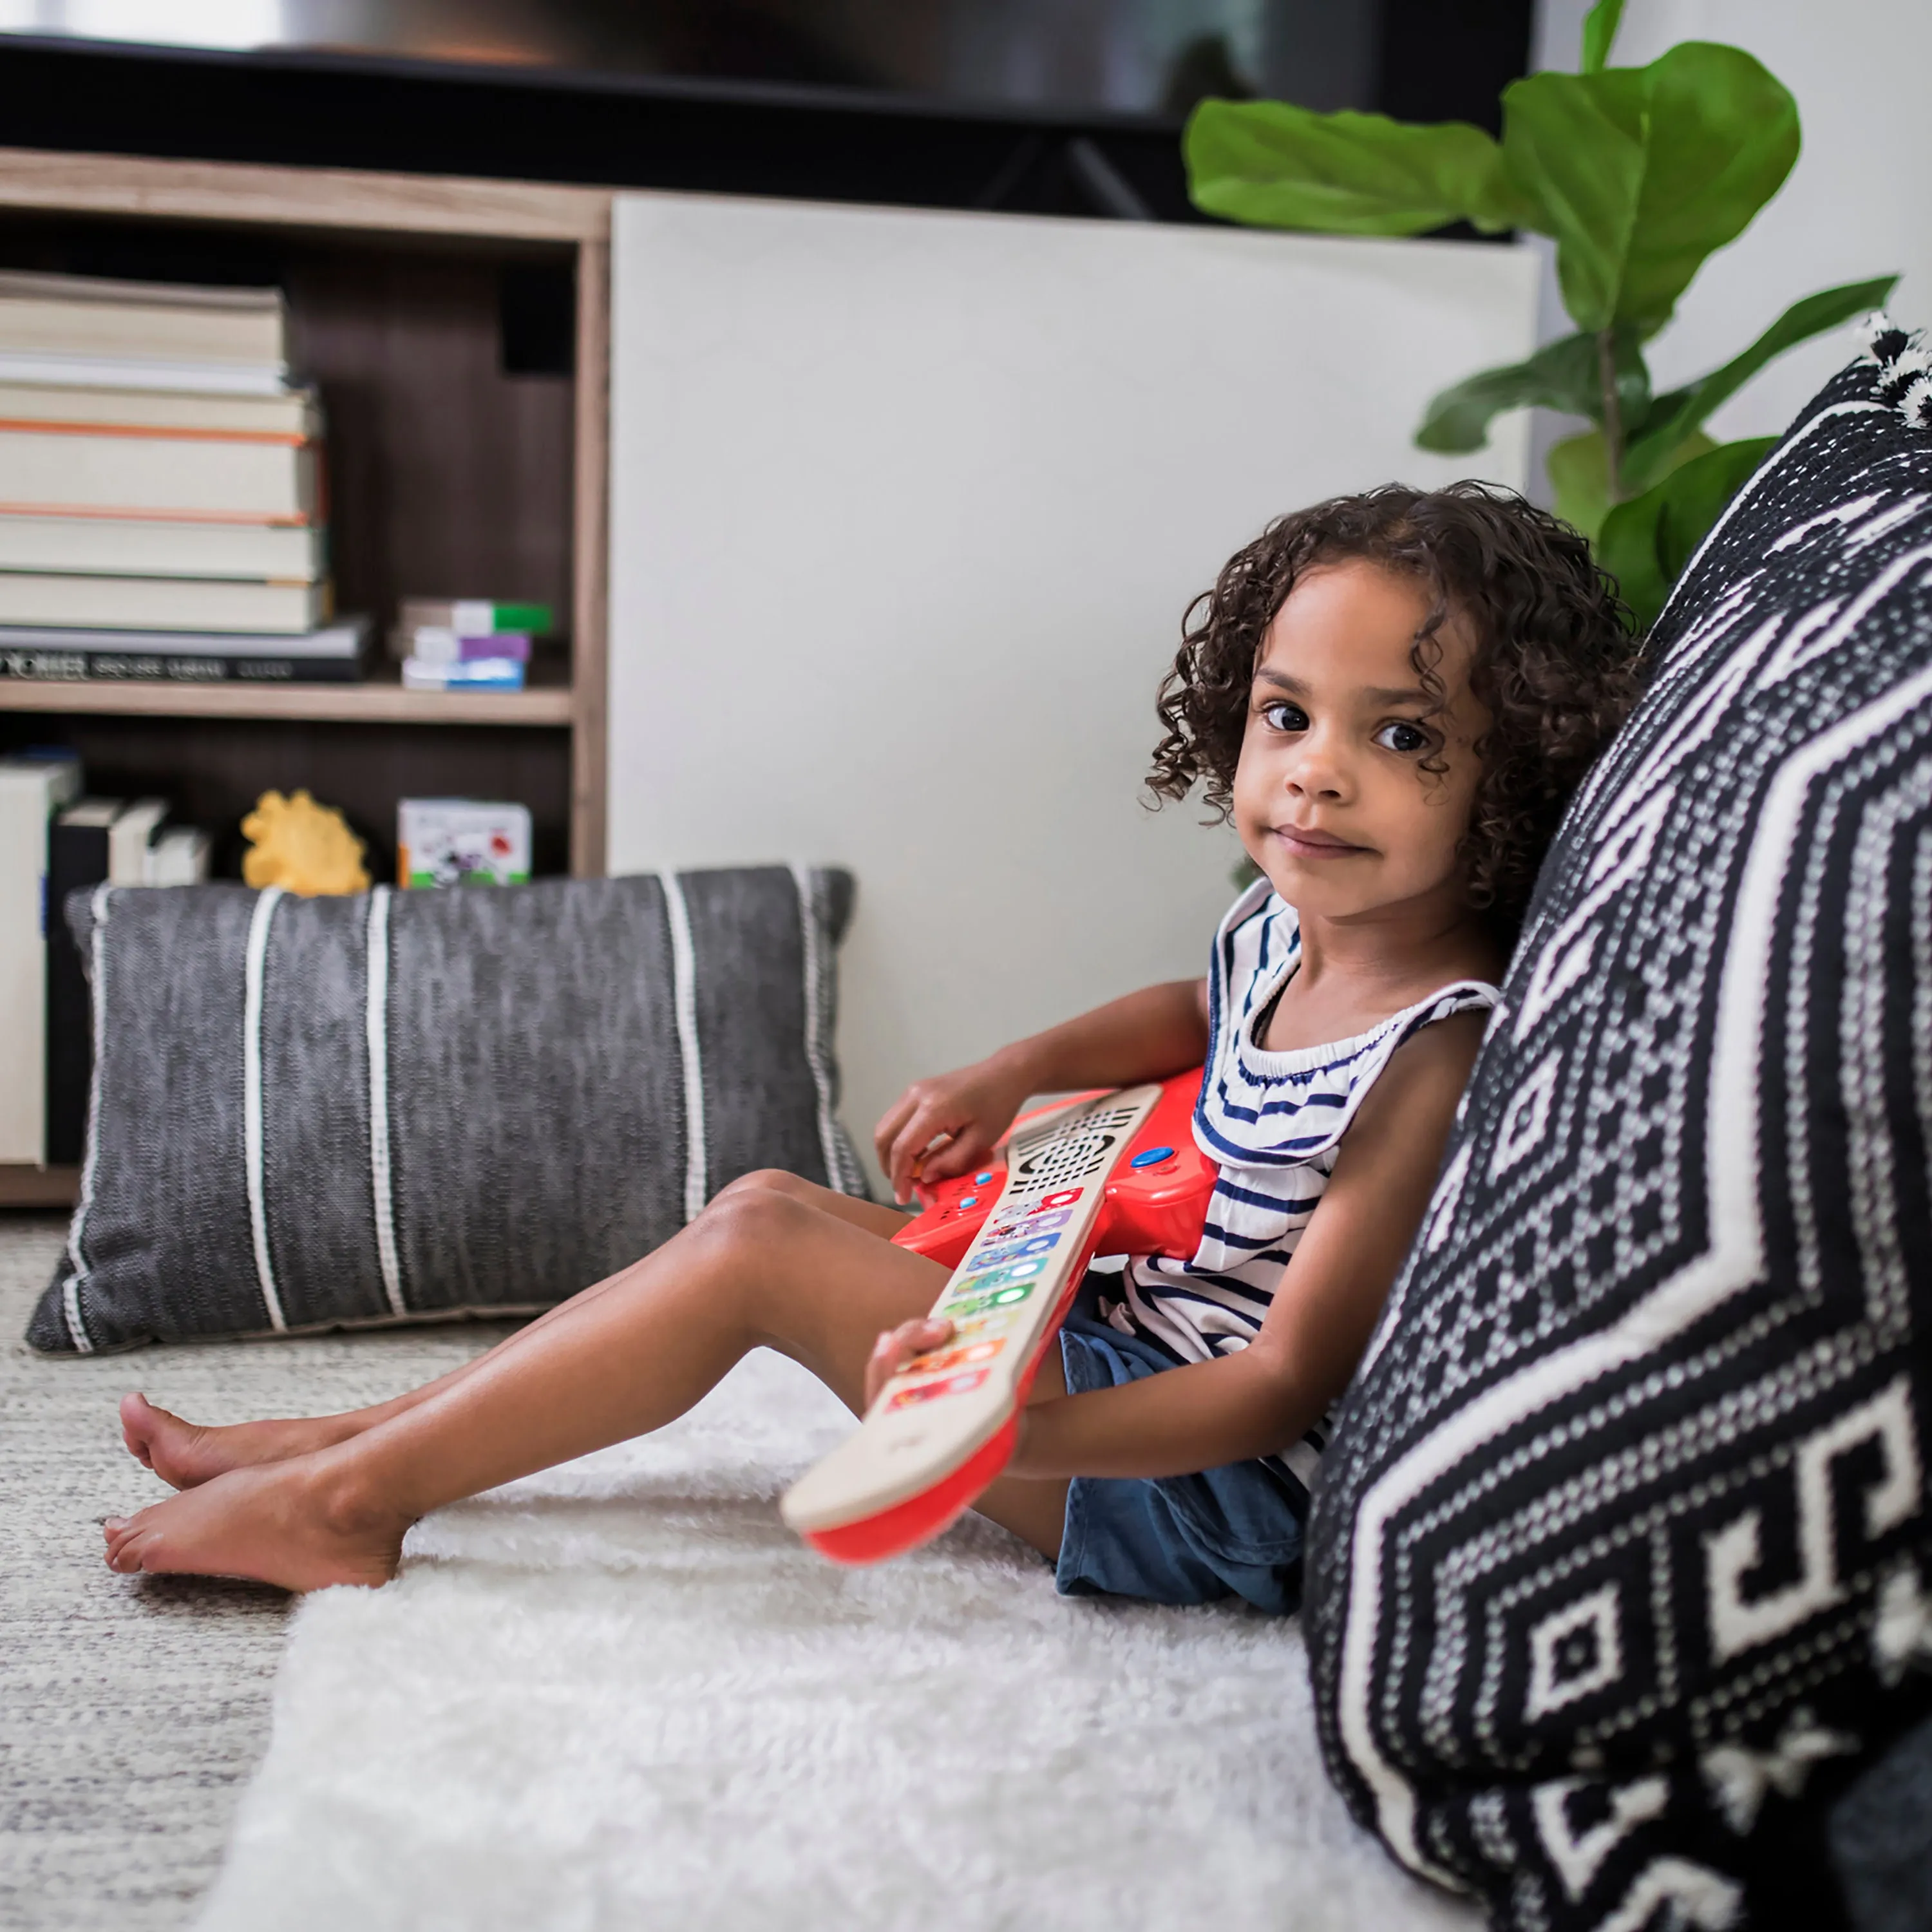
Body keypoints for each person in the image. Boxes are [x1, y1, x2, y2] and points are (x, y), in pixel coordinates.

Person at [104, 483, 1638, 1607]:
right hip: (1099, 1337)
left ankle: (354, 1505)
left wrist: (1021, 1423)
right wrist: (1006, 1075)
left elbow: (1282, 1386)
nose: (1314, 780)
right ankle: (354, 1433)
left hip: (1192, 1488)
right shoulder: (1290, 923)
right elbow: (1193, 1012)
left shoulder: (1429, 1053)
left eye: (1404, 737)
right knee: (761, 1210)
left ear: (1518, 777)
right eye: (1286, 716)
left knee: (767, 1252)